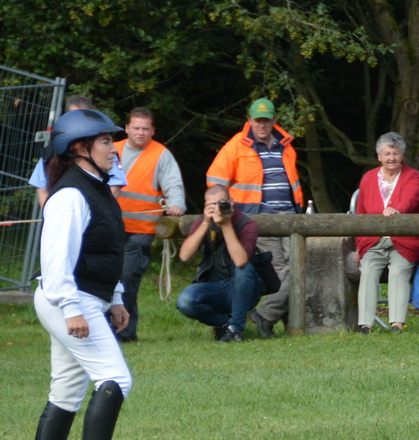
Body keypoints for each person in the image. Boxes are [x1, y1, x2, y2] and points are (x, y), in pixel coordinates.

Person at [19, 108, 138, 440]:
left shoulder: (96, 187)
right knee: (115, 379)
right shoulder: (70, 195)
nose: (113, 148)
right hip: (68, 299)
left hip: (84, 298)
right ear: (80, 148)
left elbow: (105, 250)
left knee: (68, 389)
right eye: (105, 141)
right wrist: (72, 309)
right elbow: (56, 262)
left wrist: (116, 298)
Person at [207, 98, 303, 338]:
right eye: (257, 120)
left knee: (300, 267)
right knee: (283, 269)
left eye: (266, 120)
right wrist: (227, 209)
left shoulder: (286, 146)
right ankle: (274, 319)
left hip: (291, 218)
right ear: (249, 120)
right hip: (258, 219)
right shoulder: (235, 146)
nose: (262, 125)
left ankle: (266, 315)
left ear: (274, 120)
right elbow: (215, 181)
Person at [112, 107, 186, 342]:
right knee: (107, 278)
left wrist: (176, 205)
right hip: (110, 229)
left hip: (140, 231)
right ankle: (105, 330)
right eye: (136, 128)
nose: (140, 132)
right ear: (127, 129)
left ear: (153, 130)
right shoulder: (112, 150)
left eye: (145, 128)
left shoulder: (161, 154)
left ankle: (125, 334)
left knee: (127, 280)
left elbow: (173, 184)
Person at [352, 133, 419, 332]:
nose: (391, 158)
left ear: (402, 155)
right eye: (387, 154)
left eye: (396, 153)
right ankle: (365, 324)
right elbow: (360, 213)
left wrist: (397, 210)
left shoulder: (412, 175)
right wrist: (359, 245)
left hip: (404, 239)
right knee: (367, 271)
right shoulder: (368, 178)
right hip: (373, 241)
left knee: (399, 271)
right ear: (379, 156)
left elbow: (411, 199)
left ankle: (397, 323)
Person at [173, 187, 262, 342]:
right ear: (205, 206)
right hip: (214, 285)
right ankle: (225, 325)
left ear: (231, 202)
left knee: (243, 268)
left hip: (245, 289)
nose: (218, 208)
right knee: (185, 301)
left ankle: (236, 329)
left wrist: (226, 225)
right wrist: (205, 222)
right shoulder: (203, 221)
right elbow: (185, 256)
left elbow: (240, 260)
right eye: (212, 205)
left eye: (221, 203)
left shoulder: (246, 224)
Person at [30, 95, 126, 208]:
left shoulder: (104, 152)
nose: (79, 123)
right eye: (74, 117)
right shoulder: (51, 153)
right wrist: (53, 212)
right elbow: (42, 188)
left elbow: (114, 186)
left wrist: (94, 211)